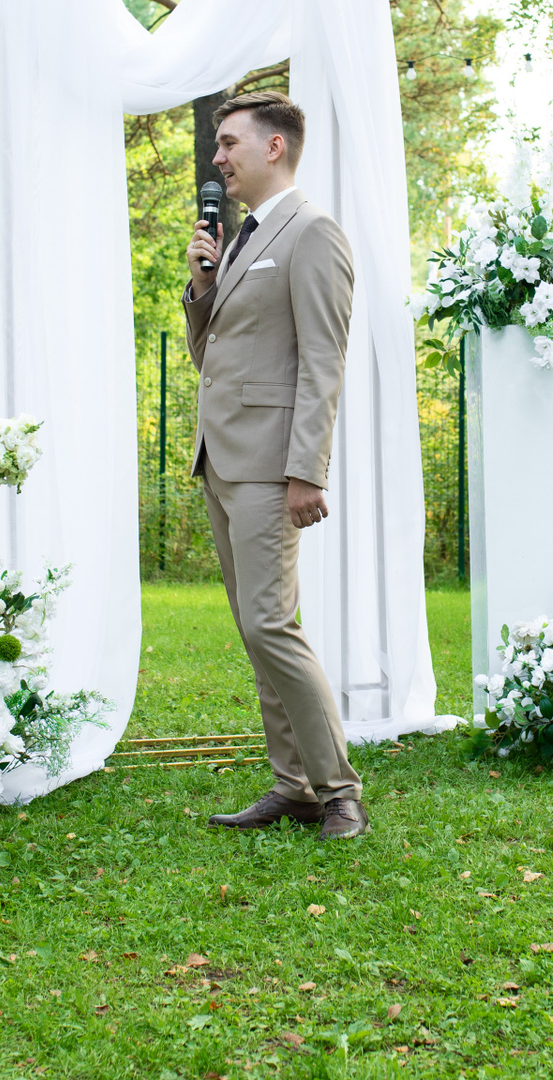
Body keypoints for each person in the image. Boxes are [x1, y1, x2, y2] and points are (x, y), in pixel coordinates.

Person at [182, 91, 367, 841]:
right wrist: (203, 288)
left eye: (229, 143)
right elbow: (213, 355)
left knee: (270, 625)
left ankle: (340, 792)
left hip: (270, 465)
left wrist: (306, 471)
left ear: (274, 147)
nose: (217, 158)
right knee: (256, 630)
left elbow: (324, 361)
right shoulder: (242, 238)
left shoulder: (313, 232)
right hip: (222, 460)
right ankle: (295, 786)